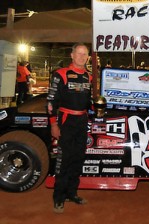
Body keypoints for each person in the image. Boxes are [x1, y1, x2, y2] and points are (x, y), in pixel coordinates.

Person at [47, 43, 92, 214]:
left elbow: (88, 102)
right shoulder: (60, 74)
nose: (82, 57)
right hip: (66, 121)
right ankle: (59, 198)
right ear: (72, 55)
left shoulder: (89, 76)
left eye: (85, 54)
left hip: (82, 120)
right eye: (79, 53)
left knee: (78, 158)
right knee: (64, 160)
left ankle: (72, 194)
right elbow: (51, 102)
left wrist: (98, 107)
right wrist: (53, 124)